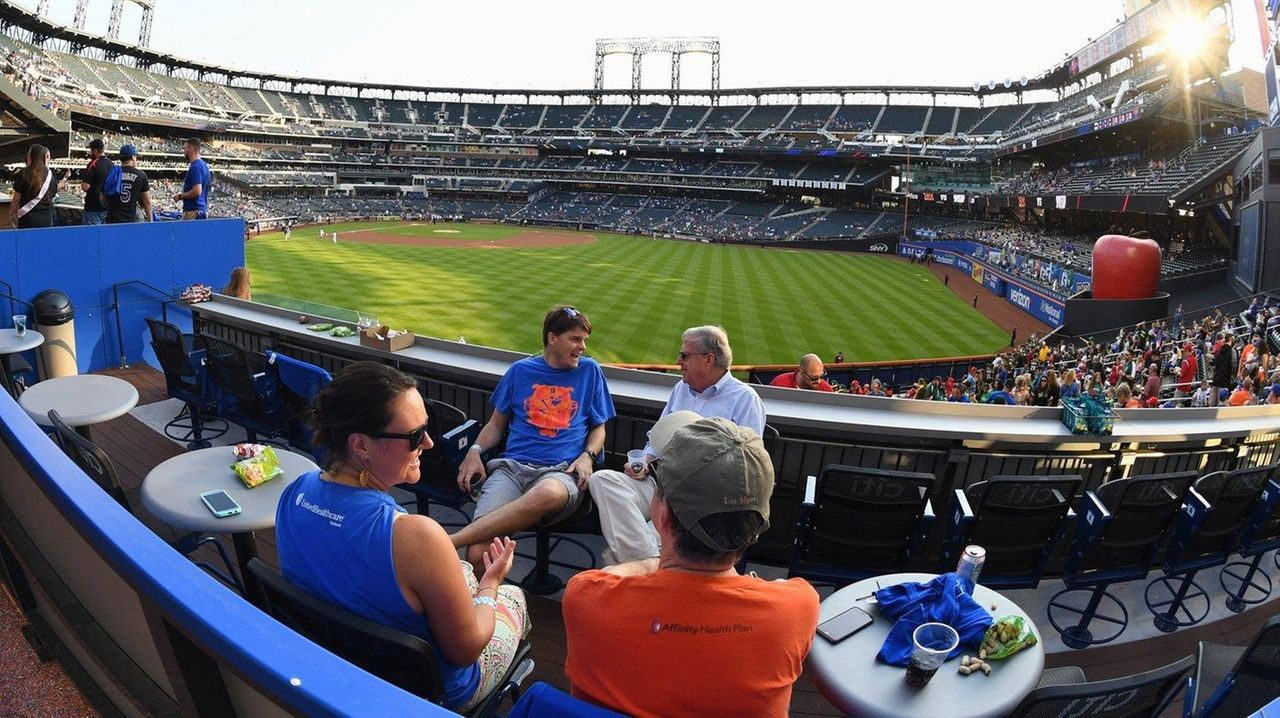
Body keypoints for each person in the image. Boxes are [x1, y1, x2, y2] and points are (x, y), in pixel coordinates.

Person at [275, 362, 529, 712]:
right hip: (427, 691)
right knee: (512, 596)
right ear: (361, 445)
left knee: (461, 573)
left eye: (428, 428)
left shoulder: (293, 493)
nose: (428, 442)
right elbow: (465, 649)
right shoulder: (416, 537)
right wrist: (492, 583)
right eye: (415, 435)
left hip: (336, 661)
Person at [564, 414, 818, 718]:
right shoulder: (798, 607)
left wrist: (648, 563)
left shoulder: (585, 597)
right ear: (755, 529)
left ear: (663, 514)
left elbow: (601, 580)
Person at [451, 306, 615, 568]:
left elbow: (599, 428)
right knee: (478, 555)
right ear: (552, 338)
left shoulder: (590, 371)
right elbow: (495, 424)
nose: (582, 346)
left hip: (562, 473)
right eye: (575, 339)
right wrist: (474, 451)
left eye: (584, 340)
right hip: (512, 470)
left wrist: (587, 457)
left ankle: (449, 541)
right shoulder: (519, 371)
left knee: (546, 493)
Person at [588, 325, 765, 566]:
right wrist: (644, 461)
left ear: (708, 359)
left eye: (684, 355)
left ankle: (637, 564)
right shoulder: (681, 388)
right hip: (660, 485)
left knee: (635, 539)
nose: (678, 361)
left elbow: (746, 464)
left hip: (700, 502)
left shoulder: (745, 399)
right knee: (602, 480)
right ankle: (646, 562)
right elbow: (658, 438)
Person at [9, 144, 57, 229]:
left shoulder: (24, 173)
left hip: (27, 218)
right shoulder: (50, 174)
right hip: (46, 218)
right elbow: (53, 194)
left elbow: (16, 200)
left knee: (27, 242)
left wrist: (12, 215)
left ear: (30, 157)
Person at [106, 144, 151, 224]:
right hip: (130, 221)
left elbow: (102, 198)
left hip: (112, 220)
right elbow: (147, 201)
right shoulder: (141, 175)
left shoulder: (112, 173)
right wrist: (150, 220)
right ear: (133, 157)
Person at [173, 138, 210, 219]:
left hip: (193, 210)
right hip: (200, 209)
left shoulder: (195, 167)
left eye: (185, 148)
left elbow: (197, 191)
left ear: (191, 148)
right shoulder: (204, 166)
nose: (184, 151)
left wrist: (180, 196)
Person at [80, 137, 112, 225]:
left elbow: (85, 187)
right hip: (107, 207)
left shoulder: (93, 164)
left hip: (93, 208)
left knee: (91, 236)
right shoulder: (111, 164)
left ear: (95, 151)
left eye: (91, 150)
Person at [769, 354, 833, 392]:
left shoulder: (826, 390)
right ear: (802, 373)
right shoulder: (778, 385)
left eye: (821, 376)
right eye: (814, 378)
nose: (819, 381)